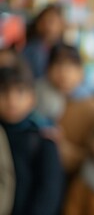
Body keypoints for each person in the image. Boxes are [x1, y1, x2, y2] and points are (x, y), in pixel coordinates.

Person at [0, 63, 63, 215]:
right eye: (3, 92)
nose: (12, 100)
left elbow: (49, 191)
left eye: (20, 92)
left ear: (32, 98)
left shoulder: (43, 138)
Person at [35, 43, 94, 175]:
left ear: (81, 71)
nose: (64, 72)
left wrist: (60, 146)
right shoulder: (34, 98)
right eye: (58, 64)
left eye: (71, 65)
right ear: (47, 70)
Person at [22, 3, 64, 78]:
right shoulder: (30, 49)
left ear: (61, 25)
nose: (47, 25)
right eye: (44, 21)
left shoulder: (65, 51)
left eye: (52, 21)